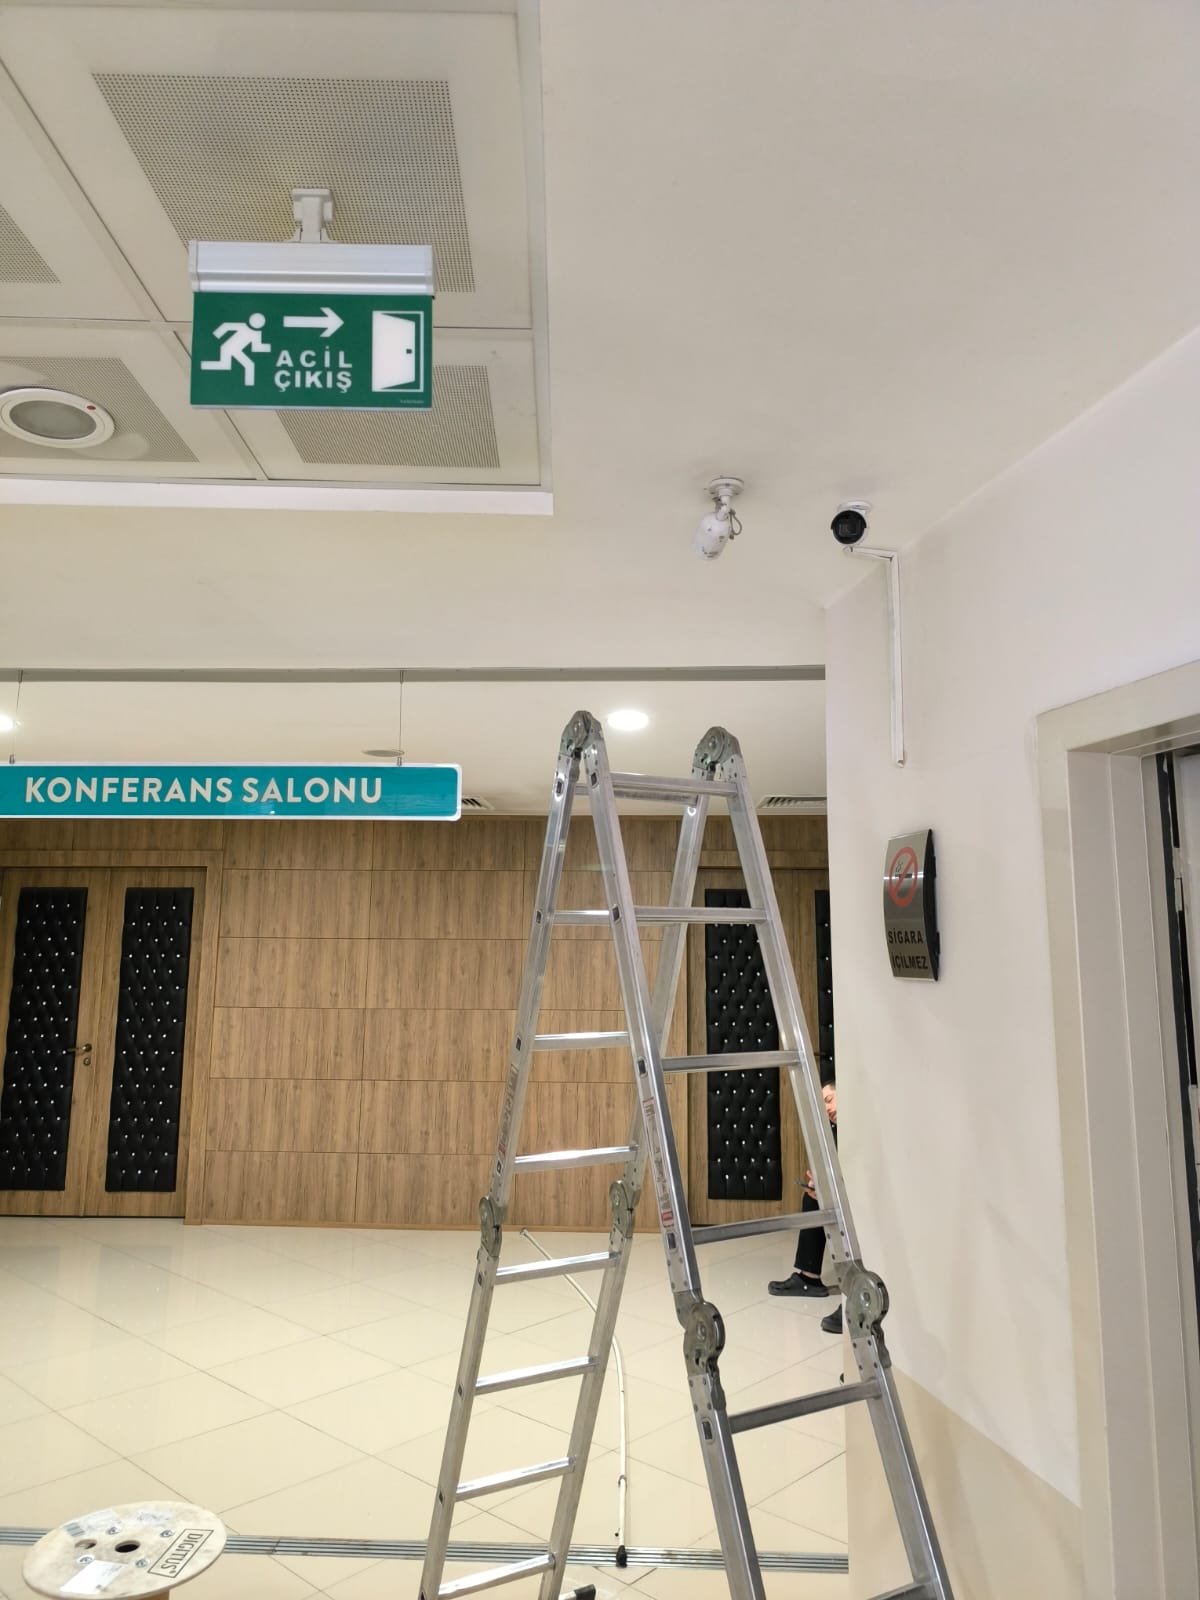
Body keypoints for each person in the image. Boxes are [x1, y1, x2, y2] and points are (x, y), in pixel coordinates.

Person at [768, 1078, 837, 1299]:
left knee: (816, 1200)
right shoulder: (835, 1133)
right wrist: (820, 1184)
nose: (827, 1109)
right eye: (823, 1106)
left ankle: (809, 1278)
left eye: (829, 1100)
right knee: (812, 1198)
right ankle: (809, 1277)